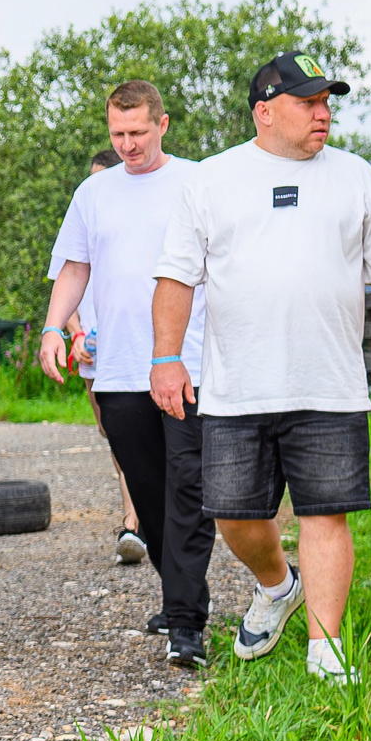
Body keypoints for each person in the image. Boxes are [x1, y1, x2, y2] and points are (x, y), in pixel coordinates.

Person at [149, 52, 371, 687]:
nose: (322, 113)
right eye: (309, 102)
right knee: (234, 518)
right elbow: (175, 277)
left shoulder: (356, 177)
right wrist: (166, 359)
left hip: (328, 385)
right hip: (235, 387)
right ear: (265, 112)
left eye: (327, 101)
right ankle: (277, 585)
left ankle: (327, 655)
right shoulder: (211, 181)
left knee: (325, 514)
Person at [41, 81, 217, 669]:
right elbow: (74, 268)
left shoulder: (197, 182)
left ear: (163, 125)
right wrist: (51, 327)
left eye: (138, 133)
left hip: (187, 363)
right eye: (118, 134)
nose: (128, 145)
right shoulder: (94, 193)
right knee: (147, 492)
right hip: (118, 372)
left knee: (187, 489)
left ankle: (187, 623)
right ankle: (178, 593)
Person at [64, 145, 142, 561]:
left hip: (140, 351)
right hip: (95, 354)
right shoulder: (84, 222)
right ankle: (134, 515)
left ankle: (136, 522)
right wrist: (74, 334)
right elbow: (68, 284)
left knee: (144, 438)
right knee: (114, 437)